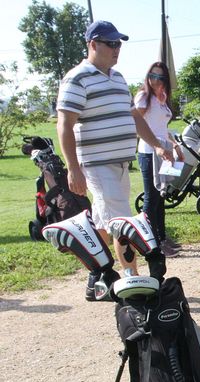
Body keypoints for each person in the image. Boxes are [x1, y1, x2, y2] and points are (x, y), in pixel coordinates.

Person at [56, 20, 173, 300]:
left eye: (118, 43)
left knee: (103, 220)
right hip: (97, 164)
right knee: (121, 220)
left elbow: (134, 118)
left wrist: (157, 145)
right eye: (110, 43)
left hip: (121, 164)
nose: (116, 48)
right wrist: (73, 168)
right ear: (92, 44)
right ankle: (132, 282)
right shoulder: (77, 78)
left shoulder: (118, 78)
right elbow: (65, 124)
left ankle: (98, 277)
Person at [134, 61, 183, 258]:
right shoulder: (143, 97)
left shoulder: (161, 98)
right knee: (151, 197)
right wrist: (156, 146)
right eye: (152, 76)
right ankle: (151, 243)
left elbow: (162, 129)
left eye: (160, 77)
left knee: (160, 197)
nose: (155, 80)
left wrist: (175, 145)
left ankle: (162, 238)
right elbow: (137, 125)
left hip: (164, 151)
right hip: (149, 152)